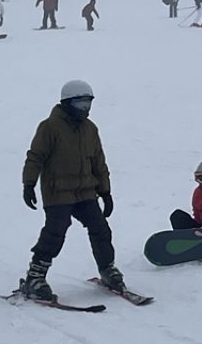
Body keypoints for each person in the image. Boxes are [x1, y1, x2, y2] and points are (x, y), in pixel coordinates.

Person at [16, 79, 125, 300]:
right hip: (58, 192)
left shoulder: (90, 129)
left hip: (85, 192)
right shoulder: (50, 127)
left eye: (88, 103)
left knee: (101, 229)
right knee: (55, 231)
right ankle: (35, 277)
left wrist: (105, 192)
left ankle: (107, 269)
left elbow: (98, 162)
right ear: (66, 102)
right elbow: (35, 157)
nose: (84, 108)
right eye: (79, 103)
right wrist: (29, 184)